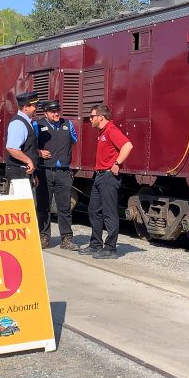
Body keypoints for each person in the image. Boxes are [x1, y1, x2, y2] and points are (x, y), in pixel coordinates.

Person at [79, 104, 133, 259]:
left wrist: (117, 163)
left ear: (100, 117)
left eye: (92, 116)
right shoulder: (102, 131)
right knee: (93, 209)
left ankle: (110, 248)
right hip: (100, 176)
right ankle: (95, 244)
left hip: (109, 176)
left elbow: (128, 146)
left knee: (109, 212)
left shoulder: (111, 130)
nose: (90, 119)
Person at [35, 99, 79, 251]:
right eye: (53, 111)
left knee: (65, 207)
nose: (56, 113)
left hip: (63, 172)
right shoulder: (37, 125)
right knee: (43, 206)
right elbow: (29, 145)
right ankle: (44, 237)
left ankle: (66, 239)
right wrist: (38, 152)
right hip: (44, 171)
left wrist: (64, 155)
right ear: (45, 113)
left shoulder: (68, 125)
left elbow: (74, 141)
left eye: (58, 111)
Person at [5, 91, 39, 187]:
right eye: (34, 106)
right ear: (25, 108)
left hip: (25, 171)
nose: (36, 108)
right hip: (19, 172)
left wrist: (33, 174)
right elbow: (12, 148)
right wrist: (28, 161)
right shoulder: (18, 123)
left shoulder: (26, 122)